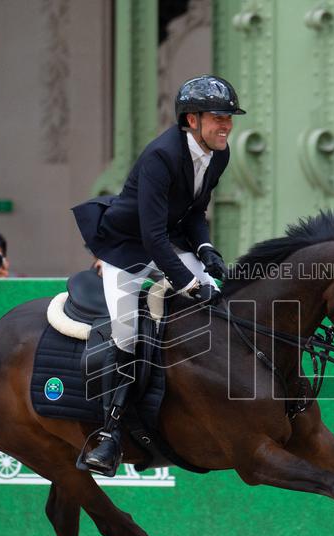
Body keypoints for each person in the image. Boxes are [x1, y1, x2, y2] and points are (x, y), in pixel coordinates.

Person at [70, 74, 245, 476]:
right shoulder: (160, 157)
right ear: (192, 120)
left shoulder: (219, 153)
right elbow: (149, 235)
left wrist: (206, 252)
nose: (227, 125)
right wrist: (186, 282)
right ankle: (110, 433)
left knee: (221, 296)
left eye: (229, 118)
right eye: (218, 118)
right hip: (126, 248)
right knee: (126, 332)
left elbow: (195, 212)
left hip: (170, 241)